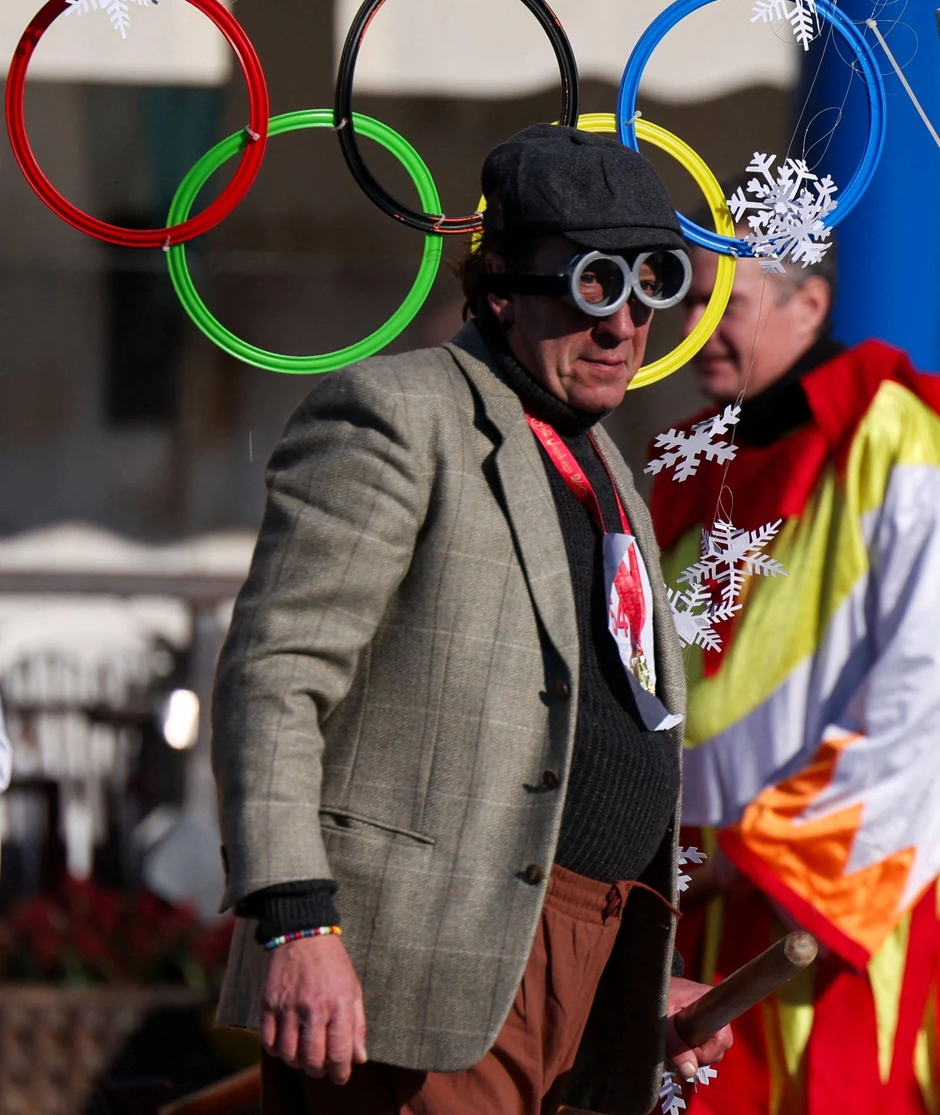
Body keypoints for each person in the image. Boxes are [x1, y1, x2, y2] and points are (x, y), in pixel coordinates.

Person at [211, 124, 732, 1115]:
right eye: (592, 284)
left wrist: (620, 976)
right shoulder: (395, 412)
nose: (626, 323)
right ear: (499, 290)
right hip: (411, 981)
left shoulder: (599, 454)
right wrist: (297, 922)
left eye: (653, 281)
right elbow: (273, 675)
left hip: (564, 962)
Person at [650, 219, 940, 1115]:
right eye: (684, 302)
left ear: (811, 303)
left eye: (721, 303)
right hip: (683, 909)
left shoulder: (899, 435)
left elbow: (926, 683)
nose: (695, 326)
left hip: (832, 905)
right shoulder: (689, 455)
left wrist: (773, 850)